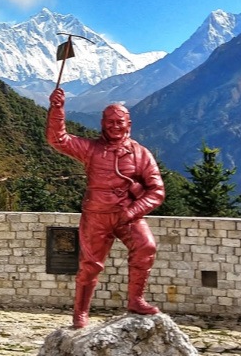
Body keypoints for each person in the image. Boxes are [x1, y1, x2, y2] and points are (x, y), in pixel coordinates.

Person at [45, 87, 165, 329]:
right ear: (102, 124)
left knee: (146, 246)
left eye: (119, 121)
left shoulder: (141, 154)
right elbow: (58, 139)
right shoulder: (91, 149)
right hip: (96, 216)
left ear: (128, 123)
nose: (114, 126)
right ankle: (80, 313)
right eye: (109, 122)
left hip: (127, 215)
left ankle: (136, 300)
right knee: (90, 265)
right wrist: (57, 109)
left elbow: (157, 191)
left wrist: (133, 211)